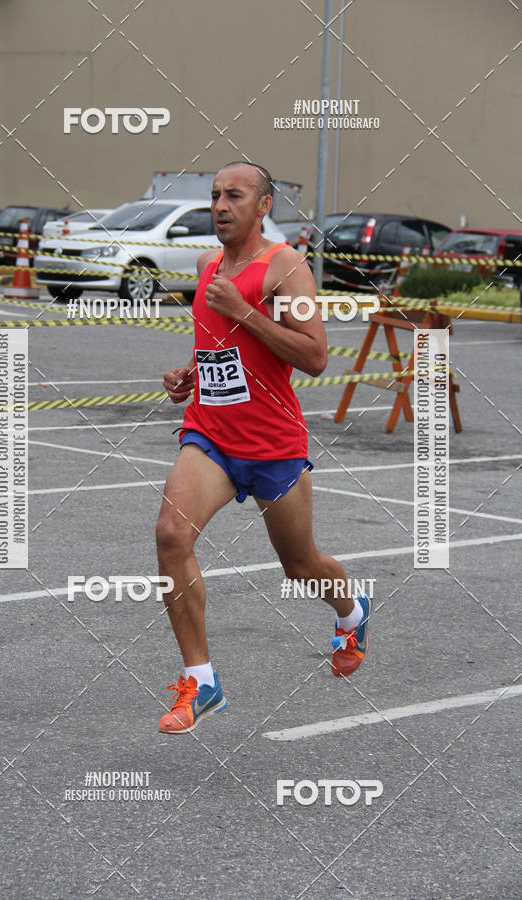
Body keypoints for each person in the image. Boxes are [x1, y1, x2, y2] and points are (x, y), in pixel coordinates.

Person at [156, 162, 372, 735]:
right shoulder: (208, 266)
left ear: (265, 206)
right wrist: (192, 376)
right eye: (215, 196)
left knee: (301, 567)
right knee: (171, 535)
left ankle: (350, 613)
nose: (221, 205)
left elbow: (315, 357)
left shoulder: (286, 268)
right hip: (211, 435)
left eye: (235, 195)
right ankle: (201, 681)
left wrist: (245, 312)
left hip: (273, 443)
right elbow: (220, 349)